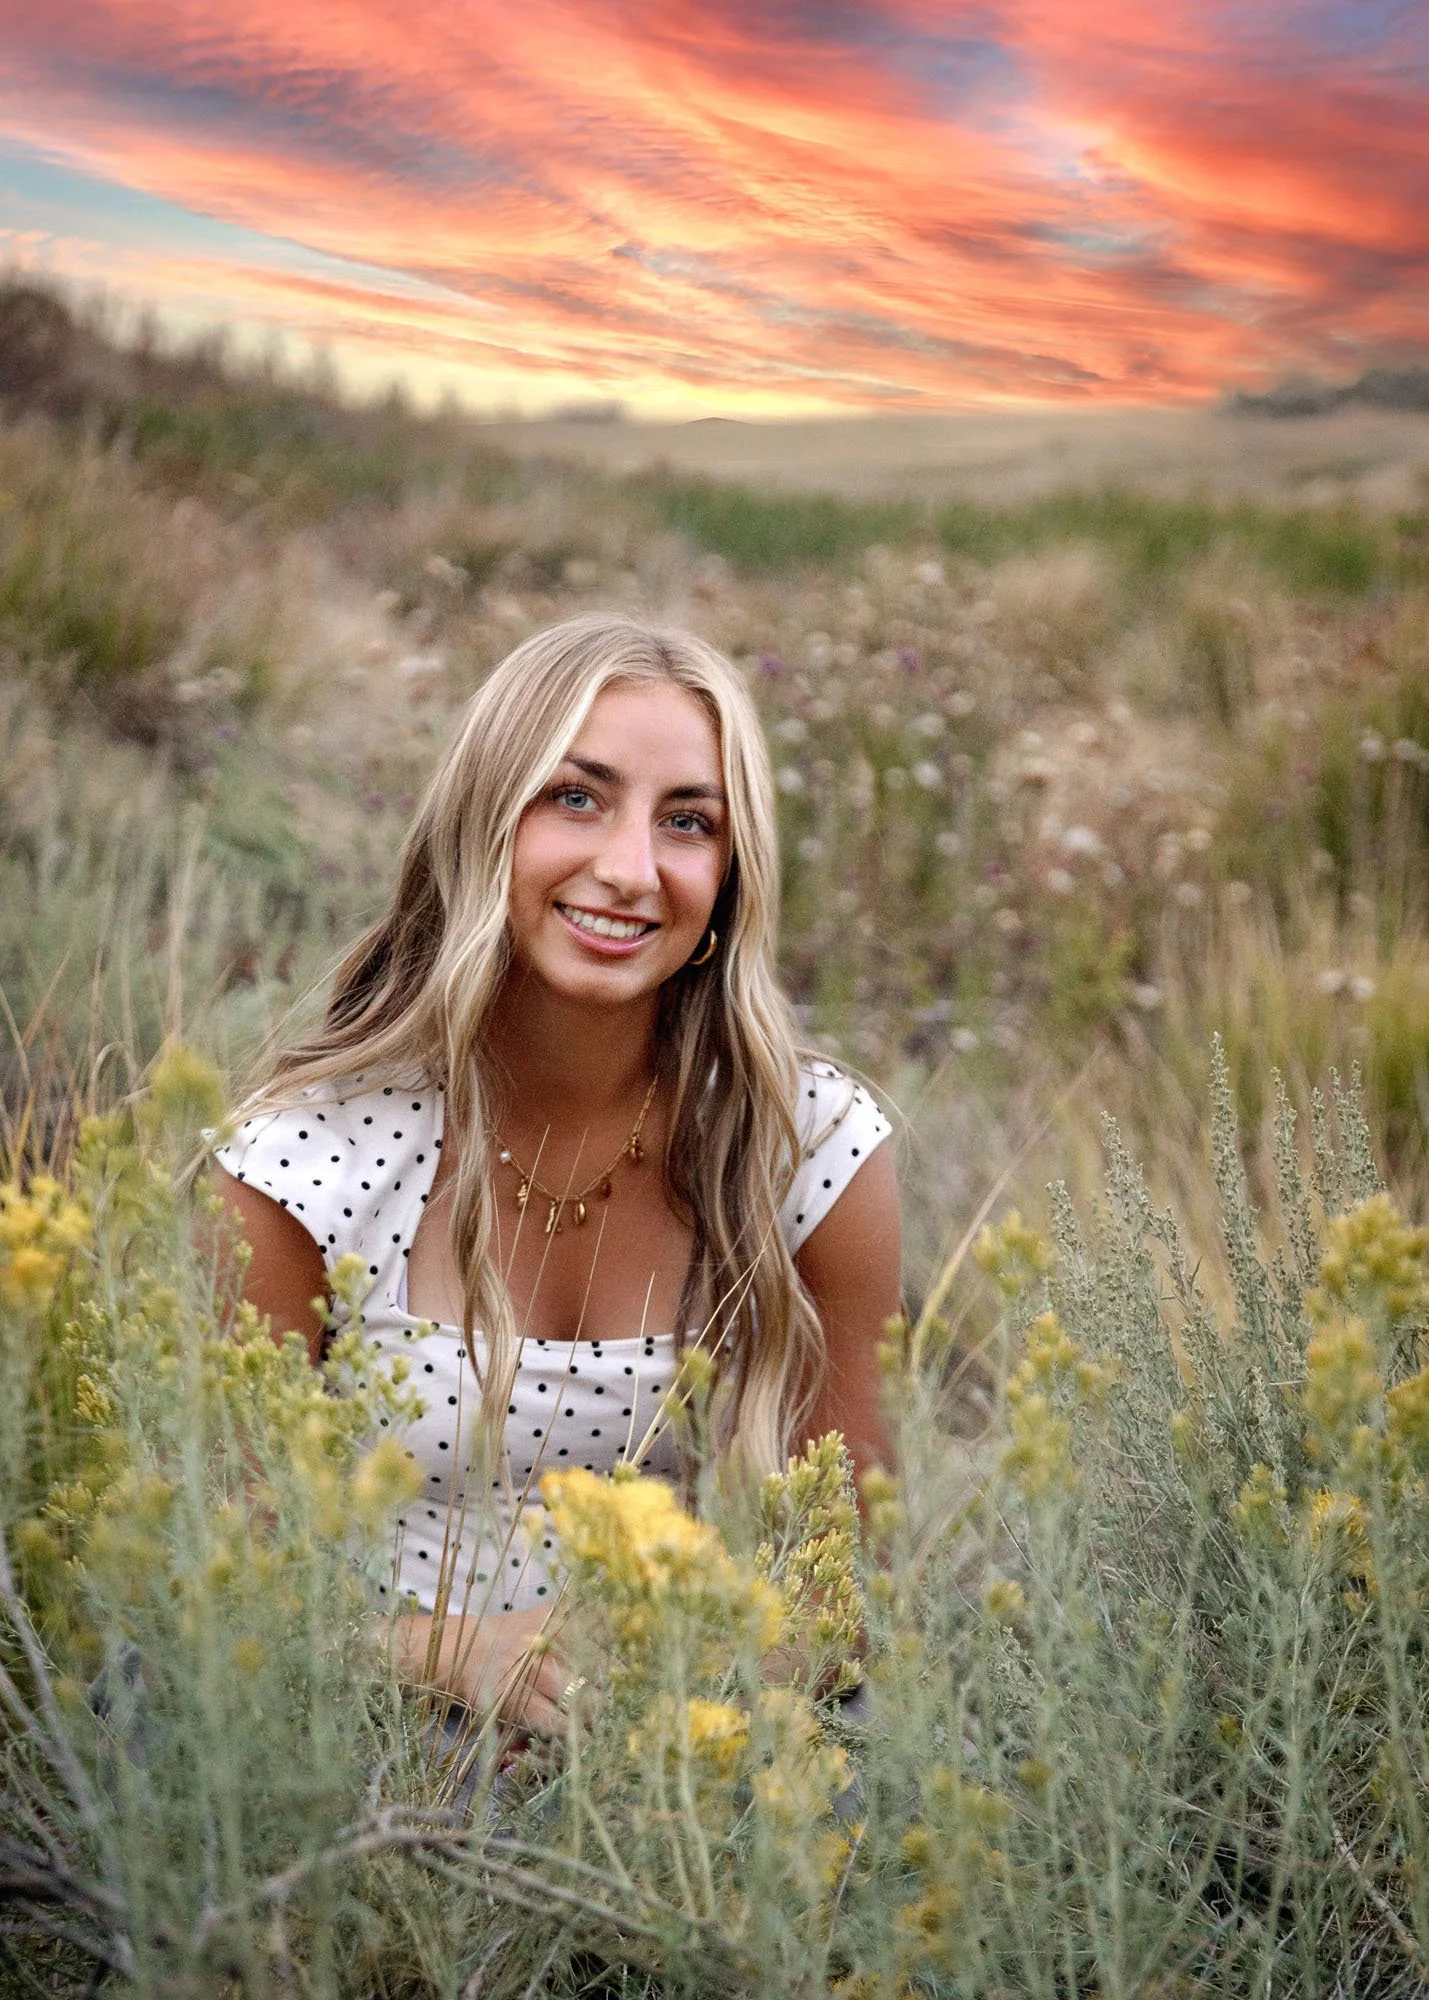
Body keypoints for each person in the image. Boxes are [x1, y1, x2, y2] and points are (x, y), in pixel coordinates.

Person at [211, 614, 900, 1736]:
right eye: (574, 797)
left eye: (688, 822)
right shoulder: (312, 1157)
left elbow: (843, 1589)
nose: (629, 870)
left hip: (692, 1754)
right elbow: (209, 1587)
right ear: (485, 822)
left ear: (728, 881)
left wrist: (668, 1708)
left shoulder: (810, 1151)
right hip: (345, 1735)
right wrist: (447, 1650)